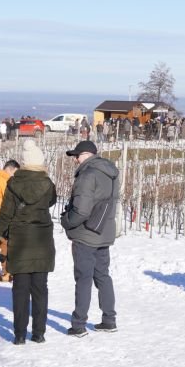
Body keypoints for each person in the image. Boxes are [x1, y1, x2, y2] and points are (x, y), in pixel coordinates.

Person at [0, 139, 57, 345]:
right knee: (40, 289)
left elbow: (4, 215)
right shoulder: (48, 184)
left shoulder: (13, 183)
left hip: (20, 242)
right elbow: (52, 201)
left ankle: (19, 334)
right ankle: (39, 333)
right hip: (42, 241)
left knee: (20, 289)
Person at [61, 139, 120, 336]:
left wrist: (66, 221)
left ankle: (79, 324)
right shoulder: (110, 173)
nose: (75, 160)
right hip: (103, 231)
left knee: (83, 278)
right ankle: (109, 320)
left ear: (86, 155)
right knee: (103, 275)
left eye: (76, 156)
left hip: (85, 234)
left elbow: (81, 210)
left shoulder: (88, 175)